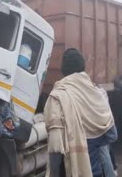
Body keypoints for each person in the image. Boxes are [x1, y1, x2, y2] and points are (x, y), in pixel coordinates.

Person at [44, 48, 117, 177]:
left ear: (64, 69)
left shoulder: (57, 97)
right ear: (83, 66)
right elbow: (112, 135)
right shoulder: (98, 94)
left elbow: (55, 150)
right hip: (97, 172)